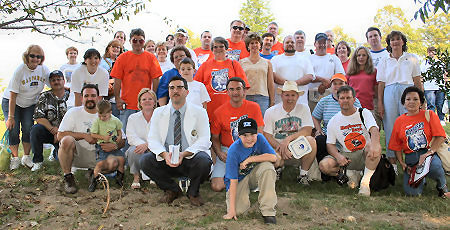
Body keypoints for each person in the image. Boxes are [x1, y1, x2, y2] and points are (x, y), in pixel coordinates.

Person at [140, 76, 212, 206]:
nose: (175, 91)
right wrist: (164, 154)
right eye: (172, 88)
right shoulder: (158, 112)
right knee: (145, 161)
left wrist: (184, 154)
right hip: (167, 159)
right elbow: (152, 139)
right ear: (168, 92)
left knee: (204, 162)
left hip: (189, 158)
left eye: (179, 87)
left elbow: (205, 139)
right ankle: (172, 190)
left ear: (187, 92)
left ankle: (193, 192)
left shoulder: (200, 112)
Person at [57, 84, 124, 194]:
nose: (89, 98)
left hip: (100, 154)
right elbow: (59, 136)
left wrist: (115, 145)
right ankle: (68, 178)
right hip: (78, 154)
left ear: (99, 98)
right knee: (66, 140)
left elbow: (123, 140)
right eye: (86, 95)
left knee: (117, 161)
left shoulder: (109, 116)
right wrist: (84, 135)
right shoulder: (73, 113)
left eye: (93, 95)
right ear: (81, 98)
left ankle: (93, 173)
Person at [320, 86, 381, 196]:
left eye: (348, 98)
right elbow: (330, 144)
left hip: (364, 153)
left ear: (354, 99)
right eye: (342, 98)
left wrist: (375, 145)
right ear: (338, 100)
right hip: (347, 155)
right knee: (325, 165)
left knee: (372, 146)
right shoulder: (333, 121)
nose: (345, 101)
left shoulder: (364, 113)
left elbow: (374, 130)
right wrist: (338, 157)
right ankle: (349, 173)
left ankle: (365, 183)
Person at [389, 86, 449, 198]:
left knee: (434, 167)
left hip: (428, 153)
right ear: (403, 102)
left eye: (415, 99)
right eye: (408, 99)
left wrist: (429, 153)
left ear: (421, 102)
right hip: (411, 158)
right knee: (412, 194)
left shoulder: (429, 115)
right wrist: (402, 163)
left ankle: (442, 186)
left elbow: (440, 136)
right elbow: (396, 146)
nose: (412, 102)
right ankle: (421, 178)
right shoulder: (399, 121)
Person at [377, 31, 424, 170]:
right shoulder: (384, 61)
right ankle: (393, 165)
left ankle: (412, 160)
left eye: (398, 39)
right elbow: (381, 83)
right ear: (389, 43)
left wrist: (421, 100)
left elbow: (417, 80)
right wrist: (380, 103)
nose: (395, 42)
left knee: (410, 125)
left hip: (408, 91)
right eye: (392, 40)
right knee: (391, 127)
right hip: (389, 92)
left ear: (403, 42)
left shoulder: (412, 58)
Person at [210, 77, 264, 192]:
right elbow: (214, 138)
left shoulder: (254, 107)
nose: (235, 92)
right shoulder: (219, 112)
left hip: (249, 148)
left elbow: (259, 132)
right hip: (228, 150)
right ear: (227, 91)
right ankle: (240, 179)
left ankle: (241, 178)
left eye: (238, 89)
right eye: (232, 89)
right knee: (216, 186)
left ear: (244, 91)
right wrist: (219, 152)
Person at [2, 44, 50, 170]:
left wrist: (68, 89)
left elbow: (53, 84)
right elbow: (13, 95)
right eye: (32, 55)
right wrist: (11, 117)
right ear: (27, 56)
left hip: (29, 103)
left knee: (28, 128)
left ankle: (26, 157)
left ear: (42, 58)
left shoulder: (43, 69)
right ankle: (15, 158)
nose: (35, 59)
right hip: (12, 101)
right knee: (13, 128)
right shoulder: (20, 70)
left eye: (38, 56)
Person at [223, 118, 277, 224]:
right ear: (239, 135)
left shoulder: (260, 139)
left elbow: (273, 157)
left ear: (257, 133)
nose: (249, 139)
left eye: (252, 134)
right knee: (238, 211)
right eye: (245, 135)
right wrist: (231, 211)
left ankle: (268, 212)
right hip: (239, 179)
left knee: (268, 168)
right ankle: (243, 201)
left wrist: (250, 159)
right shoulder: (233, 150)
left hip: (254, 174)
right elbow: (233, 181)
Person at [263, 81, 317, 184]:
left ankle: (303, 175)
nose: (290, 98)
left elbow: (308, 130)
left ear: (297, 96)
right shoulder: (270, 111)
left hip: (296, 148)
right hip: (277, 148)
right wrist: (281, 147)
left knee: (311, 141)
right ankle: (278, 169)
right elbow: (267, 135)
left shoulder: (304, 108)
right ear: (282, 95)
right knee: (274, 159)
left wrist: (288, 140)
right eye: (287, 95)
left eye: (293, 95)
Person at [110, 28, 162, 132]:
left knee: (146, 133)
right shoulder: (122, 58)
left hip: (145, 104)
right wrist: (117, 98)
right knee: (126, 134)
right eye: (134, 40)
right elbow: (117, 79)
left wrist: (154, 98)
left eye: (141, 41)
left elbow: (156, 79)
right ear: (130, 41)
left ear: (144, 42)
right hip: (127, 104)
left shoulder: (151, 58)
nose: (138, 43)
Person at [312, 74, 361, 180]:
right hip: (329, 137)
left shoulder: (354, 101)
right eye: (335, 84)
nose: (337, 86)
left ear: (346, 85)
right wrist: (318, 129)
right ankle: (328, 173)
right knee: (320, 139)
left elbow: (360, 119)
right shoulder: (324, 101)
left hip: (348, 136)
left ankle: (346, 170)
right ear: (331, 85)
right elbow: (315, 116)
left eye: (341, 83)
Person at [194, 36, 249, 120]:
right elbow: (196, 86)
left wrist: (241, 106)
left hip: (230, 106)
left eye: (221, 46)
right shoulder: (205, 65)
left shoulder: (234, 64)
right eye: (215, 47)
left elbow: (244, 87)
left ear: (226, 48)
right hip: (210, 108)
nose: (218, 49)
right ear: (212, 49)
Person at [30, 70, 69, 171]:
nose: (56, 82)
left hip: (67, 133)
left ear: (64, 81)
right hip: (49, 131)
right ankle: (37, 161)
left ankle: (55, 153)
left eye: (59, 79)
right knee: (36, 129)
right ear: (50, 83)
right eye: (53, 80)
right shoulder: (44, 96)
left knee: (61, 159)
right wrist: (53, 130)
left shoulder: (71, 96)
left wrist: (60, 132)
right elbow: (38, 117)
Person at [88, 100, 125, 192]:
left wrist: (119, 137)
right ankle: (94, 180)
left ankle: (119, 178)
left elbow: (119, 130)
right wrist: (103, 137)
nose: (101, 118)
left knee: (121, 159)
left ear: (110, 113)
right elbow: (93, 134)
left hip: (113, 144)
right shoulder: (97, 122)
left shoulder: (115, 120)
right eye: (99, 115)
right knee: (100, 164)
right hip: (102, 145)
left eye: (104, 116)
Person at [126, 88, 157, 189]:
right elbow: (130, 136)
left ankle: (154, 176)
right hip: (139, 147)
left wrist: (148, 145)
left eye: (150, 99)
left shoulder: (160, 117)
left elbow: (162, 135)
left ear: (154, 102)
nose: (147, 101)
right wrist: (142, 145)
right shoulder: (132, 118)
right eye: (144, 99)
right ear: (140, 102)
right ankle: (136, 177)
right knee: (132, 151)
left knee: (157, 150)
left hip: (156, 146)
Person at [271, 35, 314, 105]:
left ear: (295, 44)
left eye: (292, 42)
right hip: (280, 102)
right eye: (287, 42)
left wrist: (293, 84)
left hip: (300, 102)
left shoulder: (305, 59)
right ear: (283, 45)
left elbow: (310, 76)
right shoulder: (275, 59)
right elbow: (273, 75)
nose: (290, 44)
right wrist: (289, 85)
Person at [239, 33, 275, 116]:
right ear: (248, 46)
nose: (254, 45)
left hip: (263, 98)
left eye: (256, 43)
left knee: (261, 125)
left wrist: (272, 101)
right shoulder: (241, 63)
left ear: (260, 45)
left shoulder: (267, 63)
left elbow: (270, 83)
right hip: (246, 97)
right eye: (252, 43)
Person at [308, 33, 345, 112]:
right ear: (315, 44)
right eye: (319, 43)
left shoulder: (334, 58)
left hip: (331, 96)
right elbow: (308, 76)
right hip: (312, 97)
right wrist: (323, 80)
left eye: (324, 42)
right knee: (313, 120)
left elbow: (340, 75)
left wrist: (325, 85)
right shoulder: (309, 59)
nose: (322, 45)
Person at [346, 46, 380, 127]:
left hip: (369, 106)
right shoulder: (350, 72)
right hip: (353, 107)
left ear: (368, 57)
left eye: (364, 55)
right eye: (359, 55)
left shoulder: (374, 71)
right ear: (355, 57)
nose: (361, 57)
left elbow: (376, 91)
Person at [421, 46, 446, 126]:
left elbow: (444, 74)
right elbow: (421, 74)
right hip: (429, 87)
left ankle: (441, 119)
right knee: (431, 104)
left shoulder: (440, 63)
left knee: (440, 104)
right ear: (428, 53)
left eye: (433, 52)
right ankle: (432, 120)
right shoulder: (424, 63)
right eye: (429, 52)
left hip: (440, 86)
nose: (431, 53)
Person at [100, 40, 124, 118]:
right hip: (106, 93)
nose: (116, 49)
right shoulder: (102, 61)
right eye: (113, 47)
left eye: (118, 47)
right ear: (108, 48)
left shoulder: (122, 60)